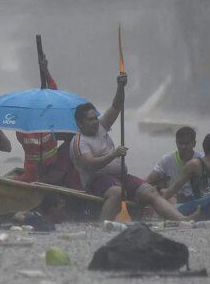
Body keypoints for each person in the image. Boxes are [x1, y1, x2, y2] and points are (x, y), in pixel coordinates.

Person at [70, 73, 195, 222]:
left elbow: (116, 106)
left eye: (95, 117)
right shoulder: (79, 141)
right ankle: (104, 227)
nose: (95, 122)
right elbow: (89, 164)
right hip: (96, 181)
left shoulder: (102, 125)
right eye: (90, 120)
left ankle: (183, 220)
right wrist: (114, 154)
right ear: (80, 123)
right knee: (117, 192)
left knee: (150, 191)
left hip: (121, 177)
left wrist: (120, 87)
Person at [14, 55, 81, 190]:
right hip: (31, 174)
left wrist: (46, 72)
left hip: (52, 173)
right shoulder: (21, 130)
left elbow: (53, 93)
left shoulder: (50, 126)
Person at [146, 126, 202, 202]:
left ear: (194, 143)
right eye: (180, 143)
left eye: (187, 143)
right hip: (173, 198)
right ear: (176, 143)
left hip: (197, 199)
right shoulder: (167, 159)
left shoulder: (202, 159)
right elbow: (148, 180)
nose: (183, 147)